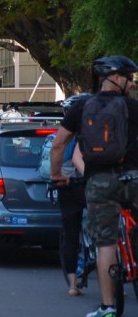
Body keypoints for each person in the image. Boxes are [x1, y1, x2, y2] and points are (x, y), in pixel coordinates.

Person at [51, 55, 138, 317]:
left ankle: (108, 308)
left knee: (106, 243)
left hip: (100, 183)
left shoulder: (81, 107)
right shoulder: (134, 107)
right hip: (135, 179)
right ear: (117, 78)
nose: (132, 83)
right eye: (130, 78)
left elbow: (58, 144)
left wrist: (56, 175)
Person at [53, 94, 91, 297]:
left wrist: (55, 176)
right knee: (105, 234)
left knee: (70, 233)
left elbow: (54, 153)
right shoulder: (95, 131)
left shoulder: (56, 136)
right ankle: (115, 275)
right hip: (92, 184)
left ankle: (73, 285)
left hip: (68, 187)